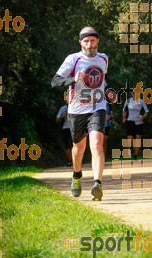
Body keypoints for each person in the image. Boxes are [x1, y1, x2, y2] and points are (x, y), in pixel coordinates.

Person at [51, 26, 116, 201]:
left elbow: (104, 80)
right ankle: (76, 175)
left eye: (92, 41)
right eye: (86, 41)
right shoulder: (73, 59)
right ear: (81, 42)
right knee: (78, 149)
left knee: (96, 144)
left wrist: (109, 92)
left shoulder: (104, 59)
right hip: (76, 109)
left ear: (97, 41)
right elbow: (55, 81)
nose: (89, 44)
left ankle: (97, 184)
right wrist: (74, 79)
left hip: (97, 107)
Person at [122, 91, 149, 159]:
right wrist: (124, 118)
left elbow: (146, 112)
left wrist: (143, 116)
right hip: (130, 121)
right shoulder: (128, 101)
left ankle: (135, 155)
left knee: (138, 139)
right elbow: (124, 110)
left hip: (138, 122)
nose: (135, 94)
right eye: (133, 93)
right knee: (130, 139)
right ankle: (130, 148)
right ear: (131, 94)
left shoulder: (141, 101)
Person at [56, 100, 73, 167]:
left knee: (73, 144)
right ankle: (70, 160)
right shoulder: (63, 108)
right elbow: (57, 120)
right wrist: (62, 116)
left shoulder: (76, 107)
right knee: (66, 145)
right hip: (65, 128)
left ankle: (75, 160)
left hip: (73, 128)